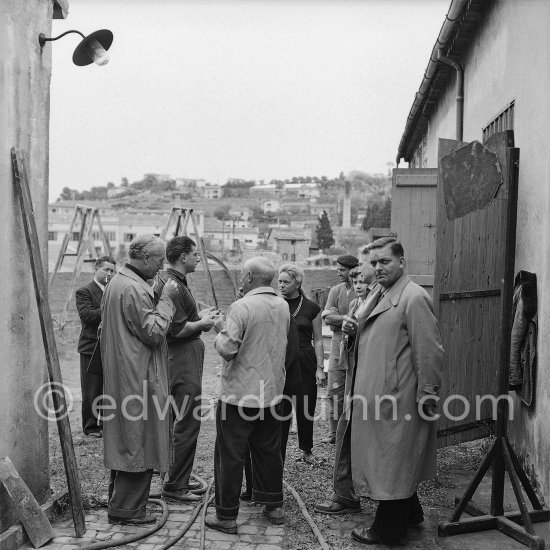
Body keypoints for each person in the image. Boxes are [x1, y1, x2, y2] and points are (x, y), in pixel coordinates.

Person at [316, 237, 443, 546]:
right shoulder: (376, 293)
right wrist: (350, 330)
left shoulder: (413, 297)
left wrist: (427, 394)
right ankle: (411, 512)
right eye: (373, 263)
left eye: (384, 261)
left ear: (401, 262)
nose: (378, 268)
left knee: (392, 460)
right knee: (392, 458)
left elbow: (430, 351)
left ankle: (388, 529)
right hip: (373, 394)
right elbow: (369, 336)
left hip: (397, 398)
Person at [205, 257, 289, 535]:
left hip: (239, 395)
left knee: (230, 455)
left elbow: (228, 349)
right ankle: (273, 506)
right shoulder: (282, 305)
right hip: (272, 392)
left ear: (251, 276)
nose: (240, 279)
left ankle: (227, 516)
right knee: (268, 451)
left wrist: (219, 330)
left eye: (242, 275)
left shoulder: (241, 306)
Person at [100, 235, 178, 525]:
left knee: (126, 437)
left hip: (125, 372)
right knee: (138, 440)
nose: (161, 267)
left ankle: (122, 503)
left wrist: (154, 294)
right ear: (145, 259)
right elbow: (154, 333)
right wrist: (167, 300)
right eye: (159, 261)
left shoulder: (119, 282)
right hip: (138, 375)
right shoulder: (133, 288)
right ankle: (127, 510)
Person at [156, 236, 218, 503]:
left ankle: (173, 477)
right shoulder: (173, 285)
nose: (198, 258)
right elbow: (177, 329)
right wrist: (203, 323)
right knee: (187, 421)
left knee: (174, 420)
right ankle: (175, 486)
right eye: (195, 254)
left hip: (178, 358)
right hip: (181, 358)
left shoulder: (174, 282)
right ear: (182, 256)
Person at [278, 264, 325, 463]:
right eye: (279, 281)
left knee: (306, 406)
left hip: (305, 360)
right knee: (280, 408)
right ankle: (277, 452)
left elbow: (319, 339)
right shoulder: (274, 304)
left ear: (297, 283)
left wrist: (320, 368)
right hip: (281, 359)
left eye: (285, 282)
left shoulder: (311, 307)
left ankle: (307, 450)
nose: (280, 285)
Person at [75, 255, 116, 437]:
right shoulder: (84, 291)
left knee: (108, 388)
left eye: (112, 271)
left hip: (110, 347)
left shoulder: (113, 291)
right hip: (91, 347)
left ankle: (107, 425)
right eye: (106, 269)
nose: (109, 273)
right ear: (96, 269)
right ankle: (91, 427)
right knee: (91, 388)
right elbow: (88, 316)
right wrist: (110, 307)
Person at [321, 254, 359, 444]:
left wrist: (338, 316)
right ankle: (333, 433)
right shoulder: (336, 291)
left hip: (357, 344)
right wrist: (347, 318)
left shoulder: (363, 290)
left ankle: (353, 432)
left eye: (342, 270)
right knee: (334, 390)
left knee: (355, 390)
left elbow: (361, 320)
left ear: (353, 270)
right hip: (338, 345)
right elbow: (327, 319)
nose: (338, 273)